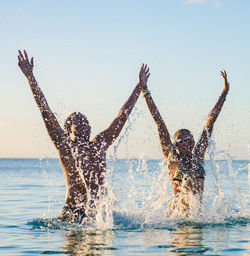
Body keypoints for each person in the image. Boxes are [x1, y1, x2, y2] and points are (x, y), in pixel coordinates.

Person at [18, 50, 150, 223]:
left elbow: (122, 116)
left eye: (86, 122)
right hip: (73, 214)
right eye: (78, 122)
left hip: (99, 215)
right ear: (67, 129)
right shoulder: (65, 145)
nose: (84, 125)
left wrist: (139, 86)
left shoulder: (99, 144)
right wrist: (30, 78)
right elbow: (45, 111)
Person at [142, 69, 229, 217]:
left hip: (197, 216)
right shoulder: (172, 158)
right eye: (184, 140)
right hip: (177, 217)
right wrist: (145, 91)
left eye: (191, 139)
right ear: (176, 144)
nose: (189, 142)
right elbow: (159, 123)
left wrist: (224, 93)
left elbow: (210, 122)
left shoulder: (198, 156)